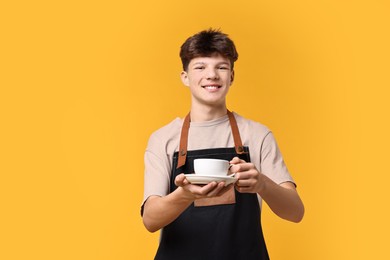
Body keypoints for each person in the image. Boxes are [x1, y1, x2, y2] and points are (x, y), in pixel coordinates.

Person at [141, 28, 304, 260]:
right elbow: (150, 219)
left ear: (232, 76)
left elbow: (295, 212)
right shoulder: (163, 139)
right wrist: (185, 195)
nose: (212, 75)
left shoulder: (256, 135)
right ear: (185, 77)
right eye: (200, 67)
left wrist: (262, 184)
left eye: (221, 67)